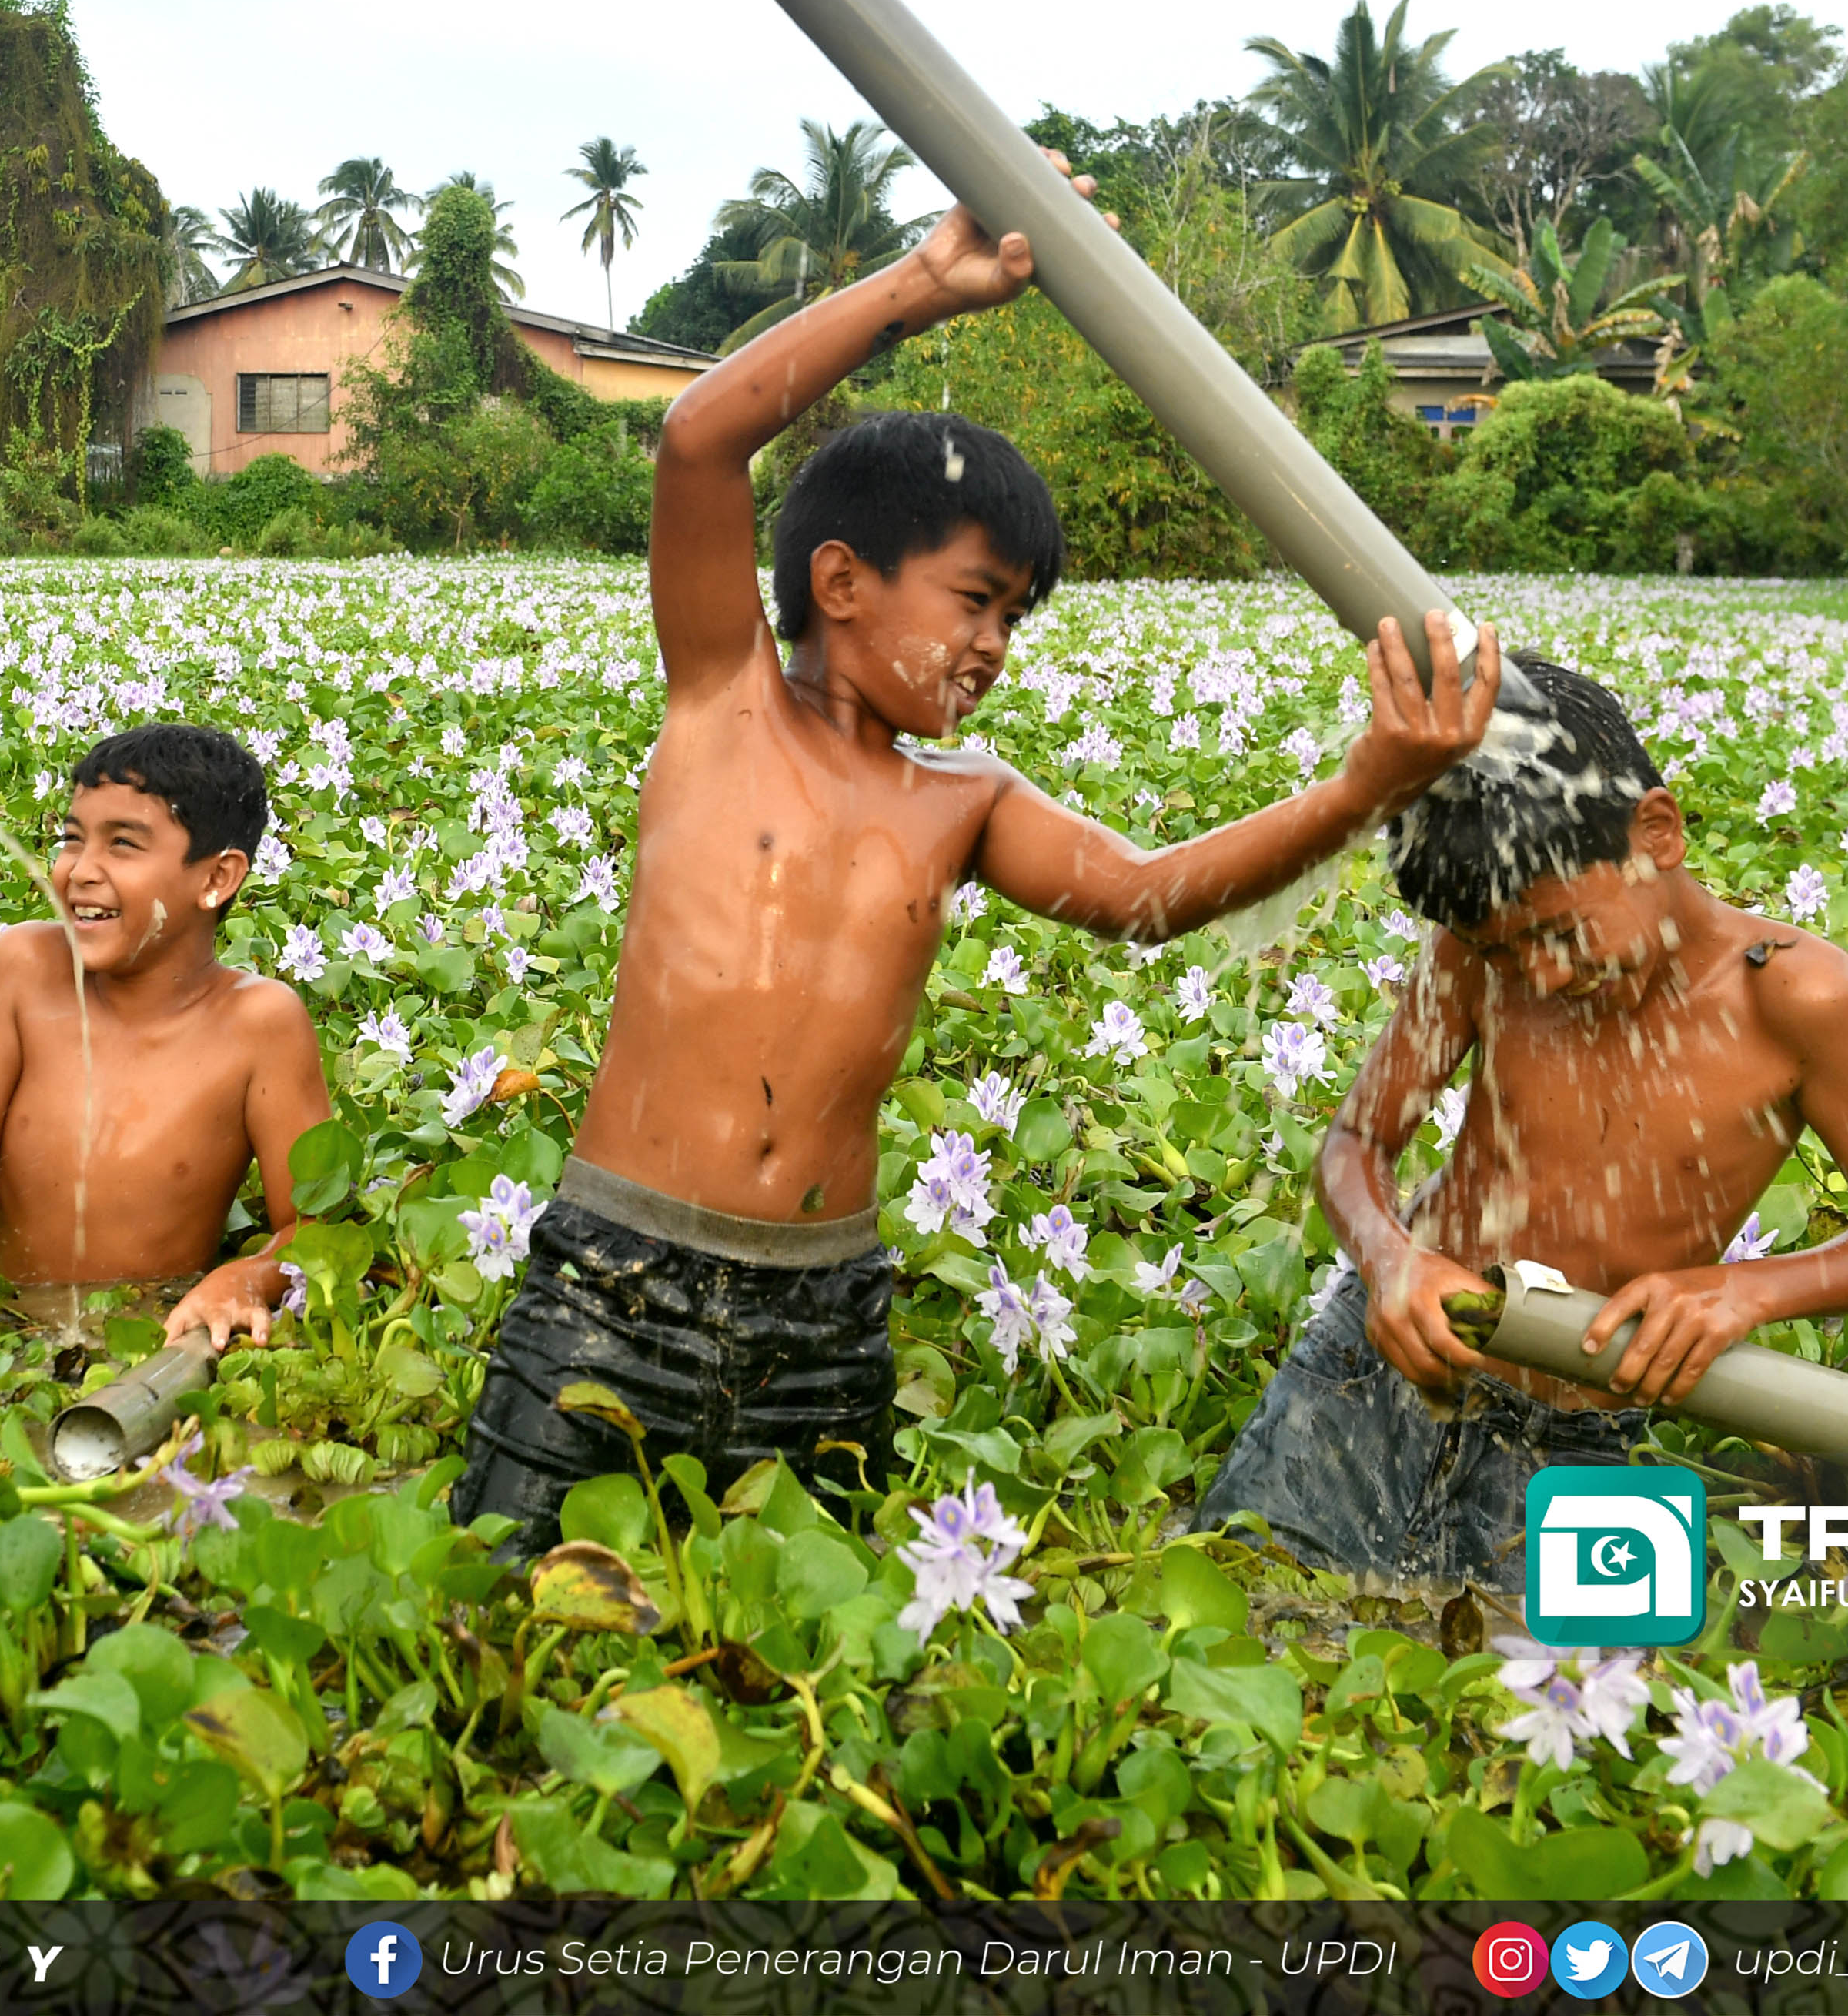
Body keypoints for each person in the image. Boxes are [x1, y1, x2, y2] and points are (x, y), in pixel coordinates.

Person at [447, 174, 1502, 1539]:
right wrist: (917, 286)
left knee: (810, 1652)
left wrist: (1368, 782)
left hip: (824, 1301)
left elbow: (1140, 898)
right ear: (838, 584)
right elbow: (698, 442)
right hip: (613, 1276)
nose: (994, 643)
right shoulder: (723, 700)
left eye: (1014, 614)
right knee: (503, 1611)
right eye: (972, 601)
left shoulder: (965, 796)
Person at [1196, 654, 1848, 1590]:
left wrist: (1746, 1291)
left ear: (1657, 832)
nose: (1543, 977)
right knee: (1237, 1607)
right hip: (1379, 1365)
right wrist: (1390, 1258)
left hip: (1584, 1432)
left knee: (1563, 1718)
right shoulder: (1478, 947)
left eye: (1560, 936)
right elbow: (1358, 1143)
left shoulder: (1802, 997)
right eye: (1505, 952)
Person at [0, 724, 330, 1349]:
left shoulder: (261, 1023)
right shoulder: (21, 969)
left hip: (153, 1343)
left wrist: (248, 1276)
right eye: (72, 839)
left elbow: (313, 1228)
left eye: (123, 844)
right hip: (1, 1331)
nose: (79, 871)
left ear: (217, 878)